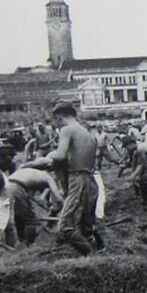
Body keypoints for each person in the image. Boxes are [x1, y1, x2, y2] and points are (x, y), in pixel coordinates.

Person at [49, 101, 100, 256]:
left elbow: (60, 156)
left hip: (77, 179)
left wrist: (44, 160)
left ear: (59, 116)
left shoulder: (67, 130)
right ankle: (99, 254)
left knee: (65, 226)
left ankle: (90, 256)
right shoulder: (88, 134)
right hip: (91, 181)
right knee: (86, 228)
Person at [4, 168, 64, 247]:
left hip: (6, 186)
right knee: (31, 220)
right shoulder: (48, 177)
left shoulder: (34, 174)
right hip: (16, 188)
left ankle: (22, 241)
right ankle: (30, 244)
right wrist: (65, 209)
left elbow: (28, 196)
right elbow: (58, 197)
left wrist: (31, 207)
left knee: (19, 217)